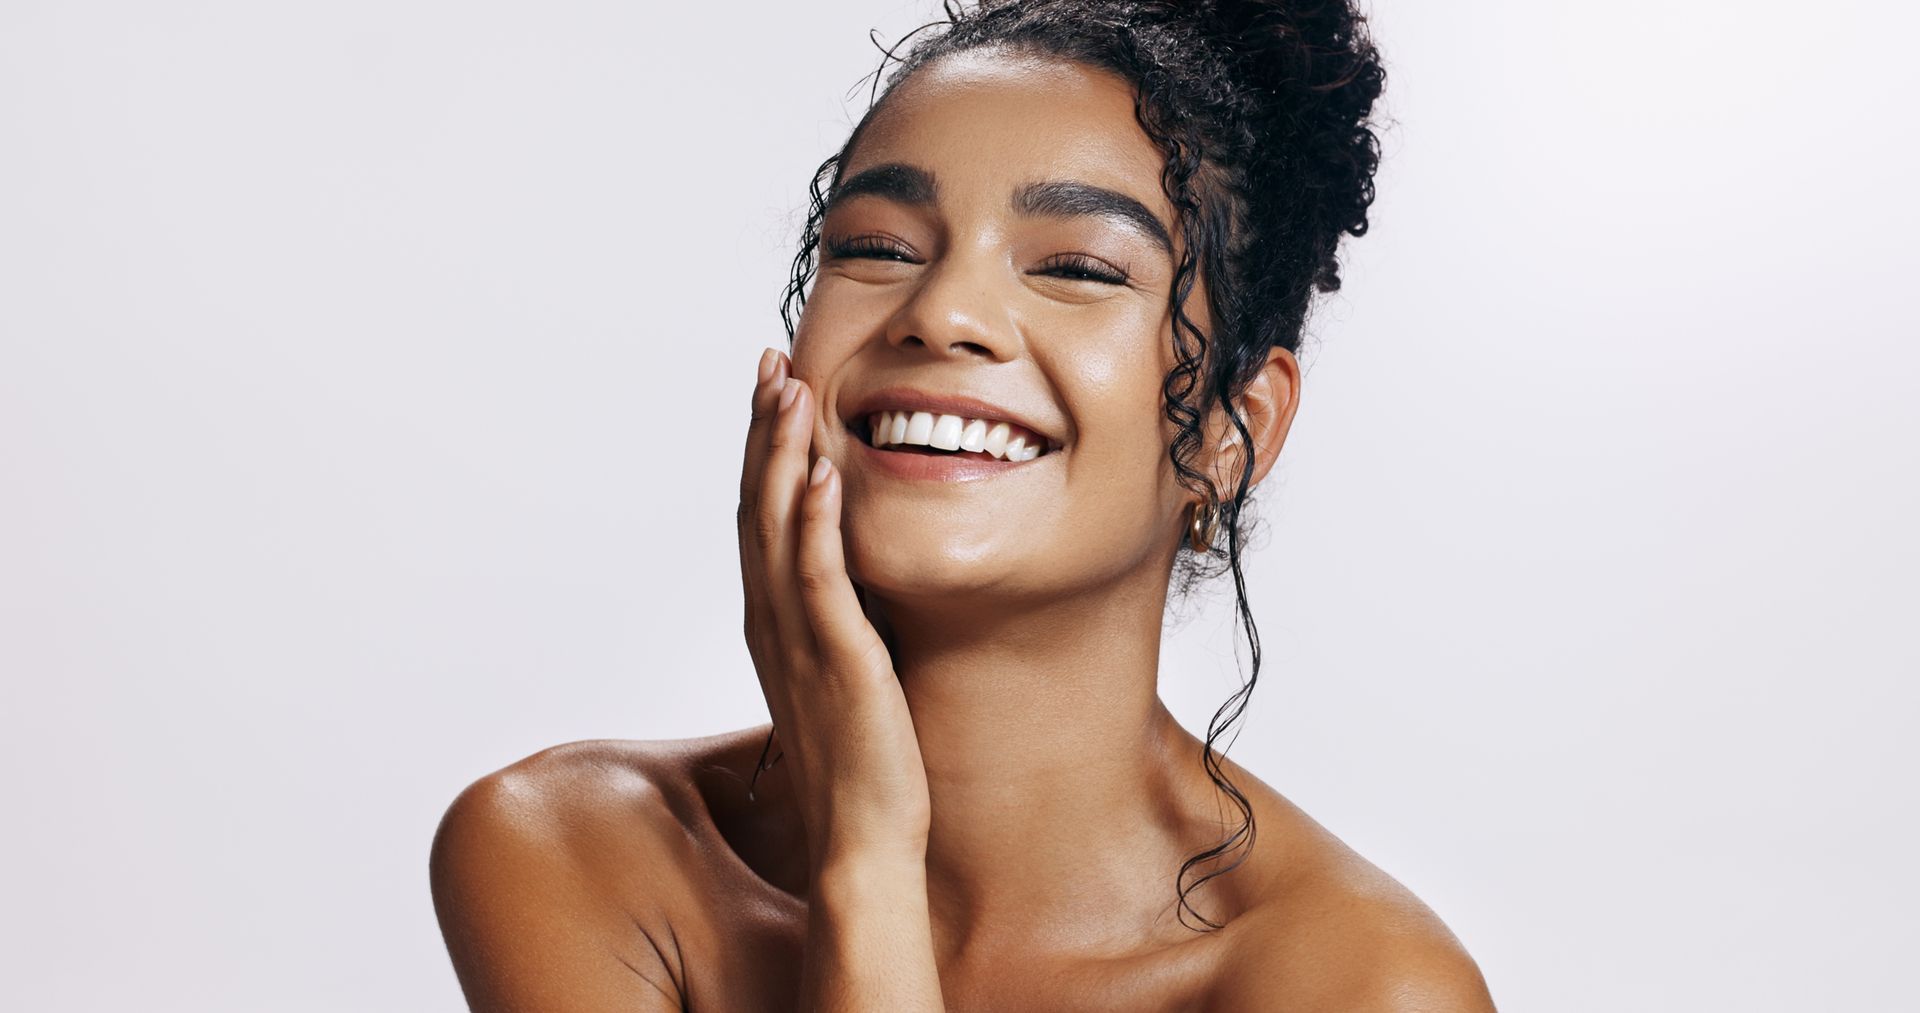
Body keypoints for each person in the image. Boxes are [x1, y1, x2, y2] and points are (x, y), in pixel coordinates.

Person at [430, 1, 1495, 1008]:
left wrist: (865, 858)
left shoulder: (1357, 981)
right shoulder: (580, 854)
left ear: (1235, 427)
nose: (941, 313)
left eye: (1076, 266)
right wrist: (867, 849)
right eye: (877, 249)